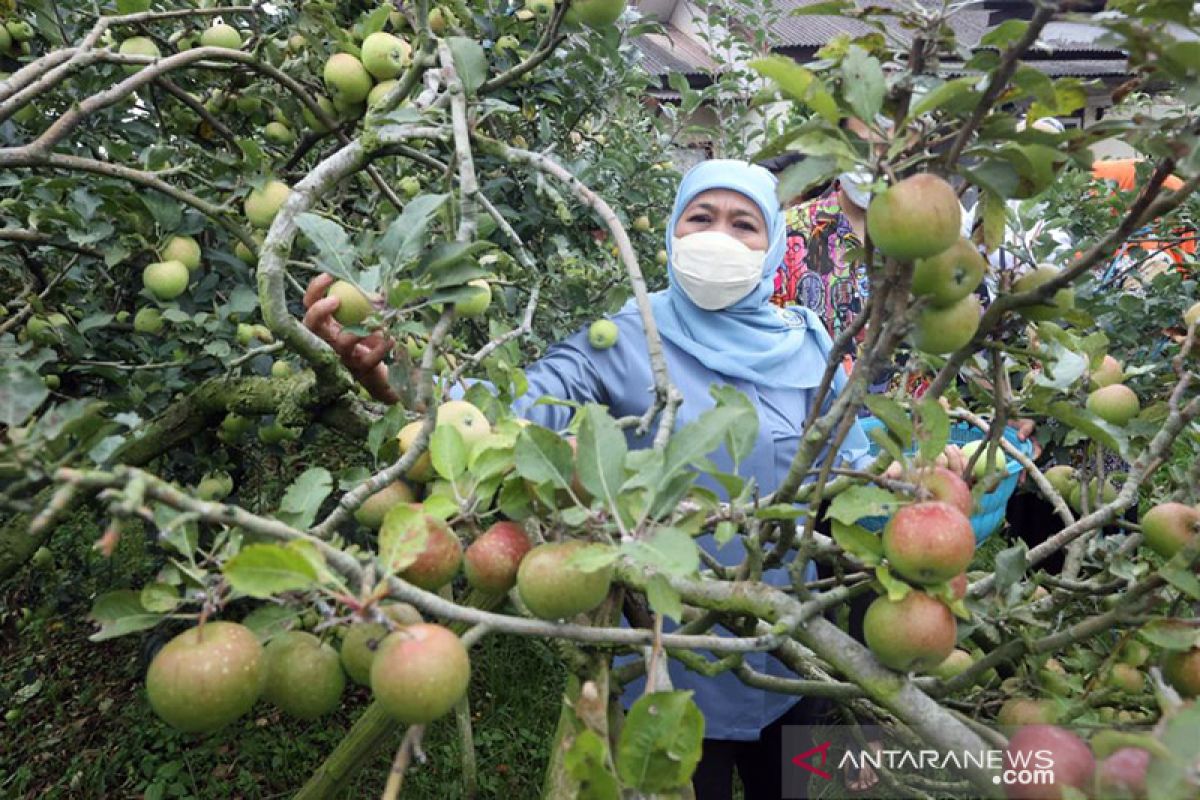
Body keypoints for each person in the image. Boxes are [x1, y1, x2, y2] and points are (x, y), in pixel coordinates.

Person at [304, 159, 873, 800]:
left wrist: (915, 483)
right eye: (701, 217)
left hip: (791, 642)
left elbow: (854, 472)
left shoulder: (806, 344)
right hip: (663, 646)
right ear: (671, 232)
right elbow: (507, 409)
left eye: (744, 224)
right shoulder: (624, 338)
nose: (719, 237)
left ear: (772, 245)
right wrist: (402, 380)